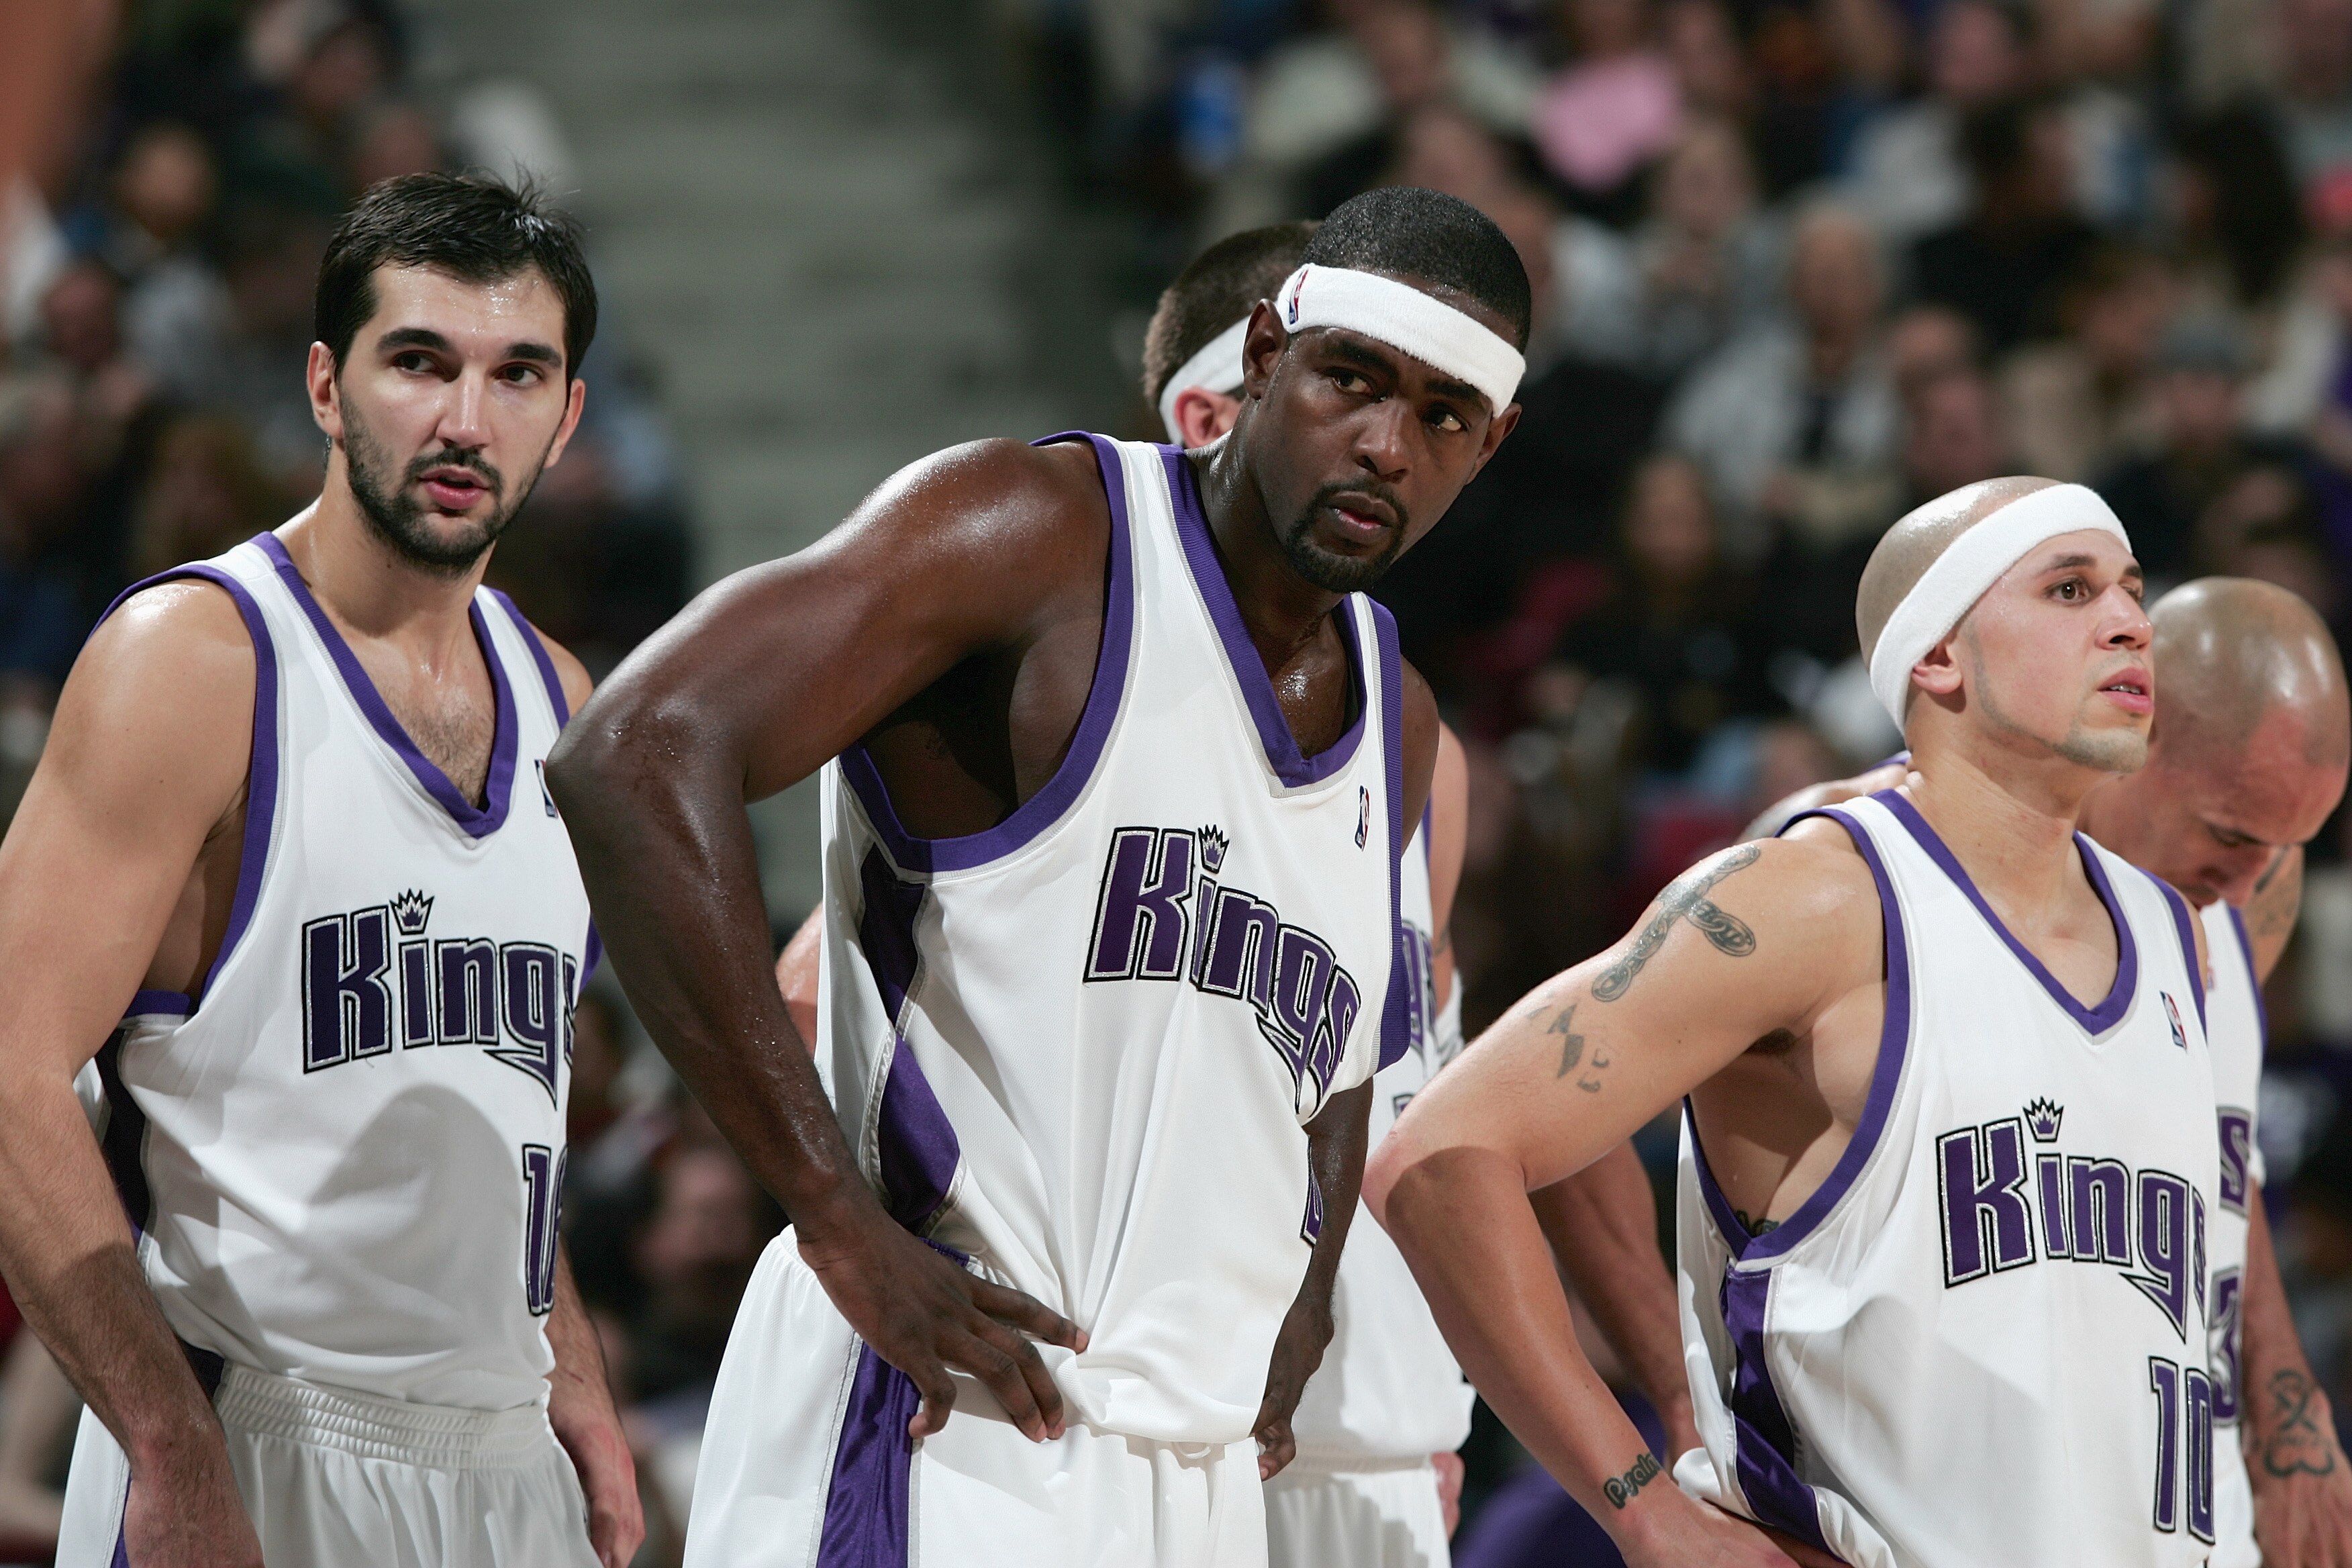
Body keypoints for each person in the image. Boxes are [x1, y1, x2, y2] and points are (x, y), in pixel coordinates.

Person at [546, 185, 1526, 1566]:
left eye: (1443, 415)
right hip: (950, 1413)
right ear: (1263, 355)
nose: (1385, 444)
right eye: (1352, 380)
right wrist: (834, 1217)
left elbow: (1345, 1050)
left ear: (1492, 444)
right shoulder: (1036, 532)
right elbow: (634, 755)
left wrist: (1307, 1295)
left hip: (1197, 1465)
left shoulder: (1397, 714)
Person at [1371, 476, 2224, 1566]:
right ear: (1939, 656)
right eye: (2070, 590)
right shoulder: (1810, 901)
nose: (2130, 622)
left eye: (2132, 590)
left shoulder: (2173, 936)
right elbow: (1442, 1158)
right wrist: (1645, 1509)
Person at [0, 173, 640, 1567]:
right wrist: (166, 1442)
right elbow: (8, 1069)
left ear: (567, 416)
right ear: (326, 387)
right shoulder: (196, 662)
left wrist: (573, 1365)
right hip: (254, 1428)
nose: (467, 420)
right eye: (419, 362)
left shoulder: (566, 702)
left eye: (517, 374)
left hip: (503, 1453)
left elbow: (503, 1103)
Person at [1754, 576, 2352, 1565]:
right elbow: (1558, 1131)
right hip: (1925, 1520)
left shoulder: (2238, 898)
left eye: (2289, 848)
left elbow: (2212, 1169)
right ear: (2137, 732)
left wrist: (2286, 1402)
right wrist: (1663, 1455)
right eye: (2232, 835)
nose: (2251, 882)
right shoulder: (1851, 871)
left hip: (2182, 1515)